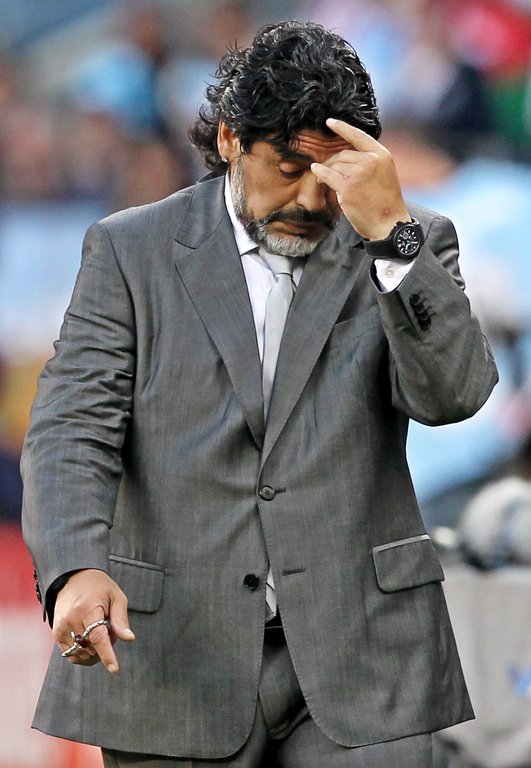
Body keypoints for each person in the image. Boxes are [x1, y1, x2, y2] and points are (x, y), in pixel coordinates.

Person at [21, 20, 498, 768]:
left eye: (331, 172)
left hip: (366, 659)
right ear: (228, 140)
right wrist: (74, 569)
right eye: (288, 166)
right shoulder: (129, 249)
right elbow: (72, 427)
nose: (310, 196)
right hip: (178, 656)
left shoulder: (410, 240)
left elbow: (454, 395)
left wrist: (392, 236)